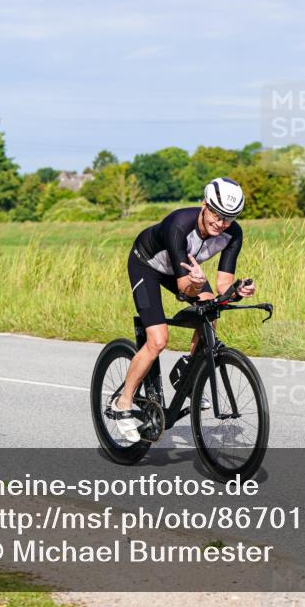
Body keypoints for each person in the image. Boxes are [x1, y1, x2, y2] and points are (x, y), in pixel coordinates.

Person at [111, 177, 256, 441]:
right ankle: (123, 403)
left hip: (187, 273)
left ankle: (188, 370)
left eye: (229, 218)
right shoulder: (179, 224)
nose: (221, 223)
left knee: (211, 309)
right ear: (204, 205)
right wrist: (197, 283)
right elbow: (183, 289)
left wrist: (237, 290)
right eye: (217, 214)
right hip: (147, 266)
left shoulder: (233, 234)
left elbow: (223, 284)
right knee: (158, 340)